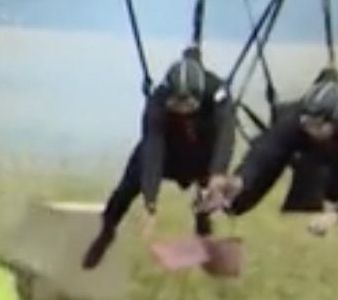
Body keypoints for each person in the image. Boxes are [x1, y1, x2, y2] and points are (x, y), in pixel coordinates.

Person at [81, 47, 236, 269]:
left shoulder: (218, 94)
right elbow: (153, 147)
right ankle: (107, 230)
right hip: (168, 150)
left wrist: (218, 174)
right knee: (126, 187)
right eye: (177, 106)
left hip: (202, 150)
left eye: (188, 106)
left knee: (208, 190)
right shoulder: (157, 99)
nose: (183, 111)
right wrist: (150, 200)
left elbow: (226, 135)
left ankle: (204, 233)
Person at [211, 68, 338, 237]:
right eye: (306, 122)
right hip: (294, 143)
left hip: (330, 156)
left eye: (316, 125)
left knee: (326, 190)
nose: (309, 129)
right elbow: (264, 150)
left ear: (335, 120)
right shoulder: (294, 118)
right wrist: (241, 179)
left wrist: (336, 215)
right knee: (240, 200)